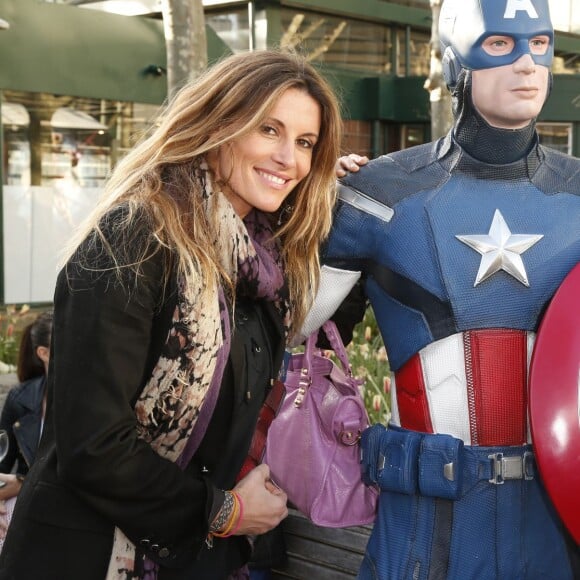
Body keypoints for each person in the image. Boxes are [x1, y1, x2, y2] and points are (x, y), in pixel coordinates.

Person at [0, 49, 342, 580]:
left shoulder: (263, 266)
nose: (289, 159)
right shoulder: (136, 236)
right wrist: (224, 513)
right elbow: (92, 444)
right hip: (89, 558)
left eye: (305, 143)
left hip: (202, 563)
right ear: (220, 124)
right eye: (268, 130)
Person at [301, 0, 580, 578]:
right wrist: (300, 210)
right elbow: (281, 332)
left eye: (540, 45)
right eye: (500, 44)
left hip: (557, 520)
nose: (527, 65)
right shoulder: (380, 193)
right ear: (456, 61)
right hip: (426, 525)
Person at [0, 310, 53, 536]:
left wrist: (22, 484)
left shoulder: (93, 399)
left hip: (67, 512)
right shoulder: (20, 399)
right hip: (23, 509)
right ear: (43, 353)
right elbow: (1, 461)